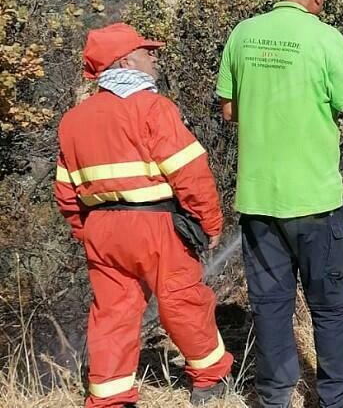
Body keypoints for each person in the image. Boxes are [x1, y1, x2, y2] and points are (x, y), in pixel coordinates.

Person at [216, 0, 343, 408]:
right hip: (314, 201)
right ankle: (336, 401)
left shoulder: (243, 34)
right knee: (330, 309)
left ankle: (273, 400)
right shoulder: (326, 40)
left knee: (270, 309)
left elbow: (229, 110)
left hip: (258, 200)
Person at [54, 23, 233, 407]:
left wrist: (86, 233)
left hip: (101, 228)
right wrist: (210, 222)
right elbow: (191, 173)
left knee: (112, 312)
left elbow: (66, 193)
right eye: (147, 52)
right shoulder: (152, 107)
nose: (155, 58)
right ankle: (208, 379)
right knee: (182, 299)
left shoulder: (73, 120)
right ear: (125, 61)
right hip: (155, 225)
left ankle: (109, 397)